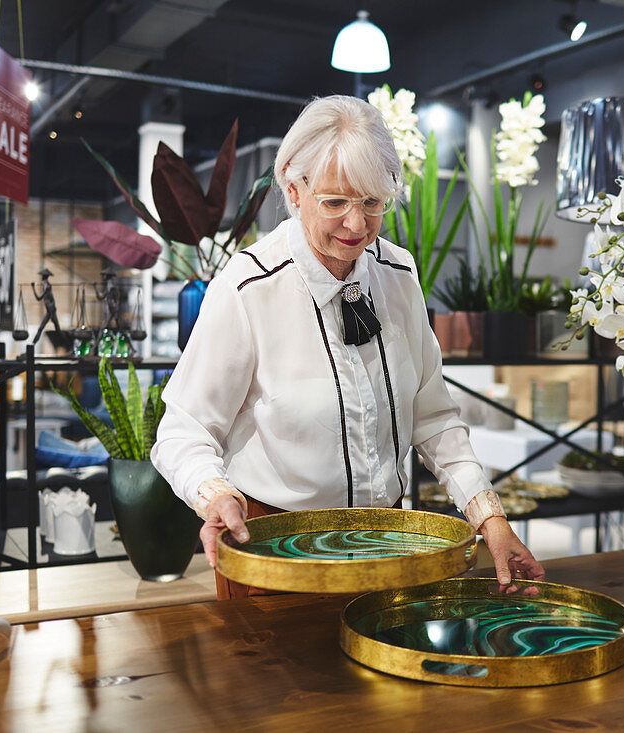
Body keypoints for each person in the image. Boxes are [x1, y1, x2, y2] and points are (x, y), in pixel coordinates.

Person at [151, 95, 544, 598]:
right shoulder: (249, 287)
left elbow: (434, 418)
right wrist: (215, 495)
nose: (356, 226)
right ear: (294, 190)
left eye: (372, 203)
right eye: (335, 202)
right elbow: (183, 430)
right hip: (275, 556)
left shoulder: (398, 275)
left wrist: (489, 517)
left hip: (386, 547)